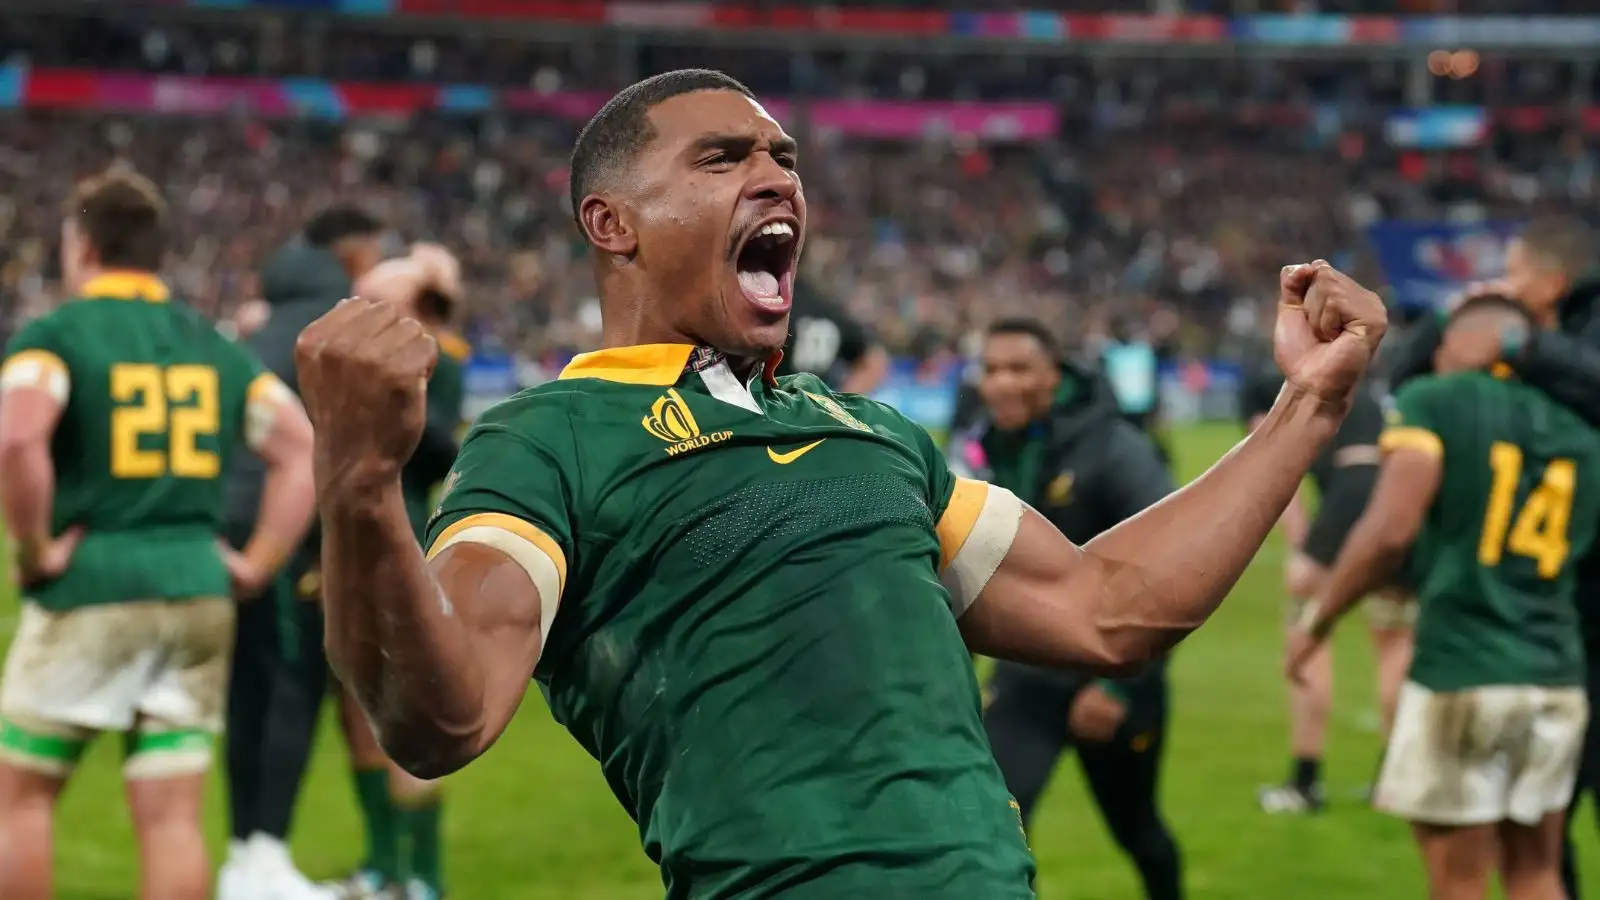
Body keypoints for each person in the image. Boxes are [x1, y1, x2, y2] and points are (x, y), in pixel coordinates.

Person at [294, 69, 1386, 898]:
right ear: (609, 223)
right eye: (721, 160)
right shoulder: (547, 441)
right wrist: (357, 484)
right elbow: (439, 716)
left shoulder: (870, 432)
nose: (775, 177)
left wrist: (1309, 406)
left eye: (783, 158)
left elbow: (1105, 607)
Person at [0, 169, 317, 900]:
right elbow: (298, 446)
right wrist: (259, 562)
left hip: (93, 586)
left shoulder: (54, 335)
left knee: (22, 797)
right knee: (172, 817)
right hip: (196, 591)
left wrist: (34, 553)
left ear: (82, 244)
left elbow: (18, 439)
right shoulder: (207, 344)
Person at [1292, 294, 1600, 900]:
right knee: (1537, 872)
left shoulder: (1436, 400)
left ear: (1467, 343)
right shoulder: (1580, 429)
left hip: (1464, 666)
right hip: (1556, 673)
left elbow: (1390, 531)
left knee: (1457, 879)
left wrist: (1318, 620)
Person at [1386, 217, 1600, 897]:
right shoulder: (1526, 360)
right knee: (1538, 848)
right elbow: (1410, 375)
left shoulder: (1561, 345)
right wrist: (1461, 317)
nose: (1502, 284)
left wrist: (1511, 334)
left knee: (1482, 864)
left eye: (1514, 273)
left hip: (1557, 621)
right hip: (1547, 624)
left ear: (1552, 281)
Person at [969, 319, 1182, 900]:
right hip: (1028, 674)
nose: (1001, 384)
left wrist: (1120, 687)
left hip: (1113, 674)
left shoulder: (1115, 449)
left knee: (1137, 832)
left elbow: (1168, 572)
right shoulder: (986, 447)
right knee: (990, 829)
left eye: (1018, 369)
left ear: (1053, 375)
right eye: (990, 370)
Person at [219, 203, 386, 900]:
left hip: (224, 525)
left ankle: (243, 854)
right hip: (292, 537)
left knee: (244, 692)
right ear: (349, 260)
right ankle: (266, 859)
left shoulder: (251, 336)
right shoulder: (340, 331)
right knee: (292, 689)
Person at [324, 245, 468, 900]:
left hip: (401, 548)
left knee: (406, 720)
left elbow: (439, 448)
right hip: (348, 550)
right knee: (357, 715)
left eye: (383, 302)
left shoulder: (441, 363)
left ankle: (426, 878)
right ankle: (384, 868)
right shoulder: (358, 364)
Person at [1238, 355, 1413, 814]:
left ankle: (1304, 783)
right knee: (1394, 642)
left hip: (1350, 502)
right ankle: (1390, 783)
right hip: (1398, 510)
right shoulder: (1369, 386)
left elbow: (1280, 474)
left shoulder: (1287, 387)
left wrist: (1304, 550)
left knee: (1306, 638)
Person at [775, 276, 889, 394]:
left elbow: (874, 358)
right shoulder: (827, 308)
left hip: (774, 403)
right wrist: (843, 403)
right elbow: (875, 358)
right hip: (814, 406)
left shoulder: (777, 306)